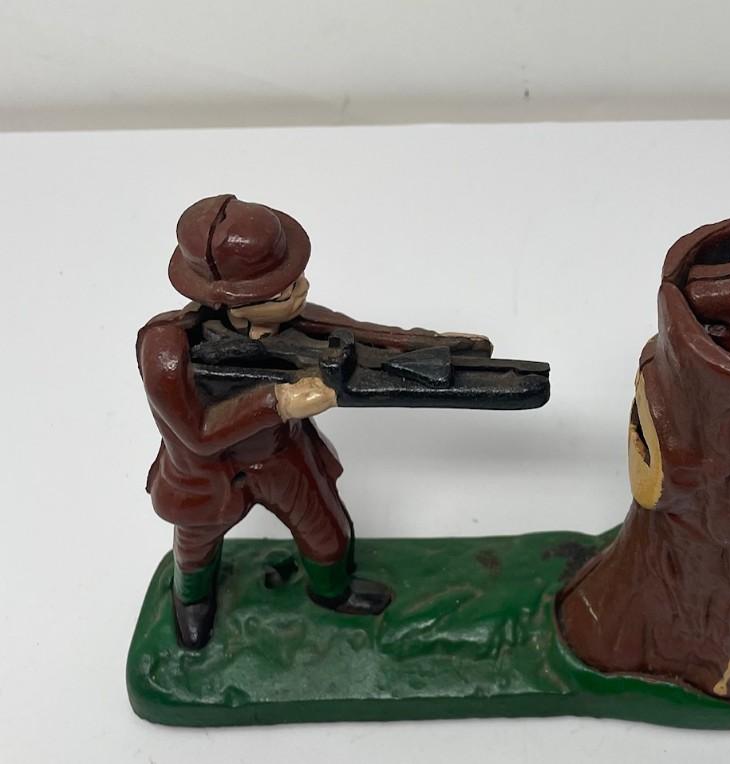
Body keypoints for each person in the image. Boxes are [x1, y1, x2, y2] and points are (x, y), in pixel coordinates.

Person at [137, 194, 490, 649]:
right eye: (283, 291)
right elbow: (197, 434)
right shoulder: (166, 351)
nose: (300, 291)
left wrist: (431, 343)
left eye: (294, 279)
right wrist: (279, 402)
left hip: (281, 455)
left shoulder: (291, 322)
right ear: (232, 301)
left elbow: (359, 333)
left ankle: (331, 593)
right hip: (206, 475)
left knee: (327, 532)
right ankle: (191, 601)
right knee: (194, 550)